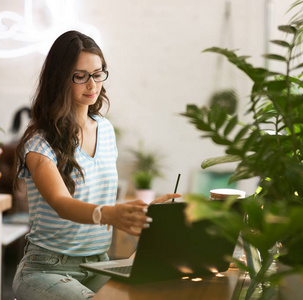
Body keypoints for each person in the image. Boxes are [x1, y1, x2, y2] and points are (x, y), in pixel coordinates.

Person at [12, 30, 181, 300]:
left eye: (98, 74)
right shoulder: (39, 142)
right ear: (59, 79)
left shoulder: (105, 129)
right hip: (46, 269)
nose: (92, 85)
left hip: (100, 263)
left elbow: (95, 196)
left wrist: (145, 212)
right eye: (80, 76)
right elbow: (60, 202)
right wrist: (109, 214)